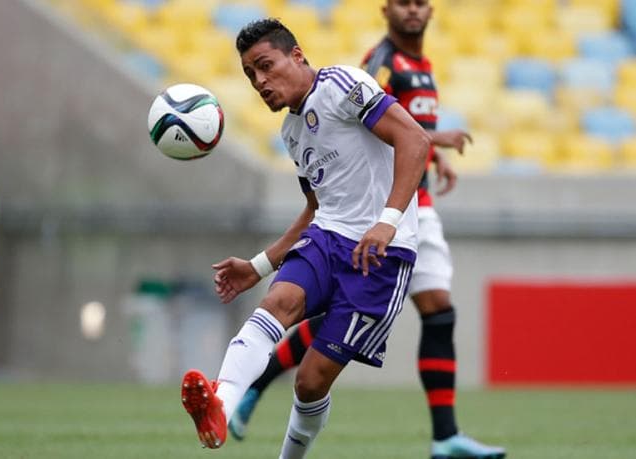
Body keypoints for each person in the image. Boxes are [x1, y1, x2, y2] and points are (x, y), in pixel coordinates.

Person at [226, 2, 506, 458]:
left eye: (420, 2)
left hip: (407, 207)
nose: (413, 10)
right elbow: (363, 123)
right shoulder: (380, 64)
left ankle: (445, 435)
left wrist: (430, 153)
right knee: (320, 311)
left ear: (431, 9)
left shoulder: (422, 64)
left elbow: (395, 131)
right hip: (376, 214)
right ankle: (253, 384)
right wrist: (426, 152)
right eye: (403, 2)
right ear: (386, 9)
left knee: (436, 311)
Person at [179, 18, 429, 458]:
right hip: (327, 238)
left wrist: (387, 221)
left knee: (309, 382)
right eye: (250, 74)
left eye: (265, 65)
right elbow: (316, 208)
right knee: (275, 306)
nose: (260, 82)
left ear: (296, 56)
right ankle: (220, 407)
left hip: (381, 256)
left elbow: (414, 139)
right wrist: (258, 266)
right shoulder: (291, 132)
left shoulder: (342, 85)